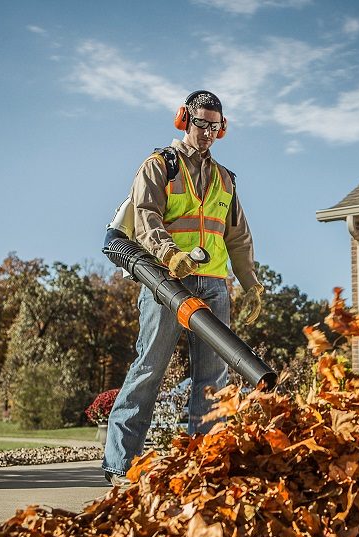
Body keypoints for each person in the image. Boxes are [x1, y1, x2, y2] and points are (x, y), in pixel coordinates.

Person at [102, 90, 264, 486]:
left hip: (213, 285)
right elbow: (145, 216)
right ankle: (120, 465)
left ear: (221, 129)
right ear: (184, 121)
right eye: (200, 123)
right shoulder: (160, 166)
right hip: (166, 282)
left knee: (213, 378)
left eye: (214, 126)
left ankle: (203, 465)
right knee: (149, 369)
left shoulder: (226, 179)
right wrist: (169, 253)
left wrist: (250, 283)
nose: (206, 132)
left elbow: (237, 237)